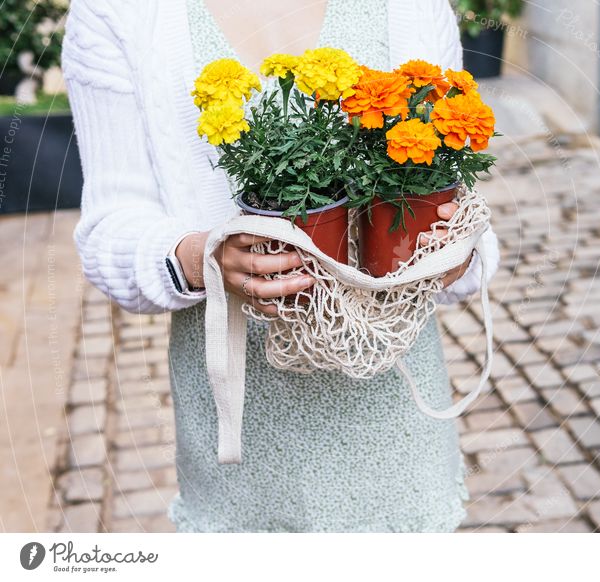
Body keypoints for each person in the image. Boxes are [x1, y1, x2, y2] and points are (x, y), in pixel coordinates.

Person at [61, 0, 501, 532]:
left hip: (396, 417)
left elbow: (452, 190)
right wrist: (204, 257)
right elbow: (110, 227)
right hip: (242, 441)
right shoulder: (118, 13)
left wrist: (457, 248)